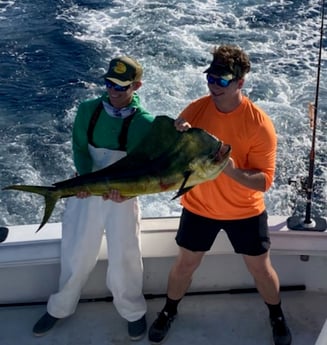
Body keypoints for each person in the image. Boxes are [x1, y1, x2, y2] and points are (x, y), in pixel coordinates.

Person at [148, 44, 292, 345]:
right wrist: (178, 133)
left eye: (222, 81)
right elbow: (171, 152)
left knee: (261, 270)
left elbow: (264, 181)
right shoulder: (197, 109)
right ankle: (168, 311)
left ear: (240, 82)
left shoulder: (260, 125)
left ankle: (276, 315)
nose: (214, 86)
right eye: (210, 79)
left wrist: (228, 169)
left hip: (245, 211)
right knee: (185, 265)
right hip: (199, 206)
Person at [33, 56, 154, 341]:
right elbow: (79, 147)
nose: (113, 90)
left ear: (137, 85)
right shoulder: (88, 109)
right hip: (85, 190)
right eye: (109, 83)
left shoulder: (145, 123)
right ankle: (60, 307)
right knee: (76, 252)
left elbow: (144, 169)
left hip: (121, 198)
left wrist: (128, 193)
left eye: (121, 86)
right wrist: (84, 180)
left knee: (125, 256)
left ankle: (133, 311)